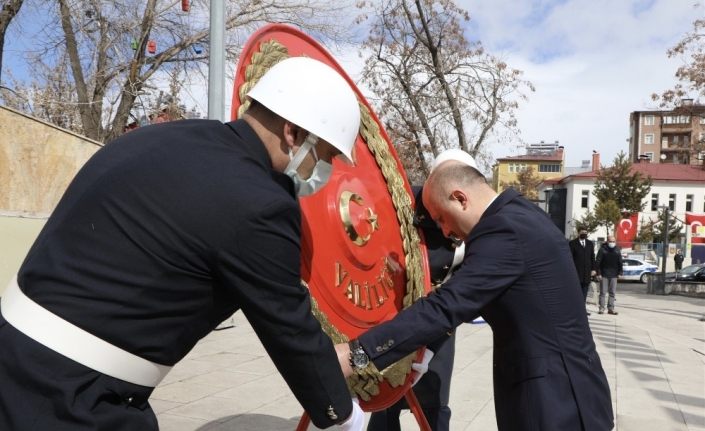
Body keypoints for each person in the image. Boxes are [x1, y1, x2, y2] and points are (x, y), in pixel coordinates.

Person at [0, 57, 364, 430]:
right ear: (294, 134)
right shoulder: (261, 203)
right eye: (328, 156)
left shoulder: (164, 138)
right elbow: (289, 327)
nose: (325, 171)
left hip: (14, 352)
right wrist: (345, 414)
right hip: (69, 398)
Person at [337, 156, 614, 431]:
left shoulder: (503, 230)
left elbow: (447, 306)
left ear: (460, 198)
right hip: (569, 391)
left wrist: (356, 354)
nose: (446, 231)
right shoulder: (523, 214)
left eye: (442, 218)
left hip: (555, 403)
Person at [367, 149, 476, 431]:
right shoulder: (402, 203)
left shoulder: (474, 217)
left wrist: (431, 347)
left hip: (441, 323)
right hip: (397, 316)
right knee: (386, 400)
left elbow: (464, 289)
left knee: (434, 402)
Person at [568, 228, 596, 315]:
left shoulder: (590, 244)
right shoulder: (572, 244)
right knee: (576, 292)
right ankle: (574, 309)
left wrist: (593, 269)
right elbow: (570, 258)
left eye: (585, 232)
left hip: (587, 273)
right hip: (576, 272)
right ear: (578, 233)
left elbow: (592, 258)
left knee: (584, 292)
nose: (584, 233)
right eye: (582, 232)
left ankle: (582, 310)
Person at [595, 235, 623, 315]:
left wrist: (620, 272)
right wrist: (598, 273)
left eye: (614, 241)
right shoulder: (602, 250)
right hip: (604, 274)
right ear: (607, 241)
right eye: (610, 241)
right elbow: (598, 262)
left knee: (612, 293)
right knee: (603, 293)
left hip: (614, 275)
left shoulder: (617, 250)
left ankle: (611, 309)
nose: (612, 243)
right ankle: (601, 309)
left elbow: (620, 262)